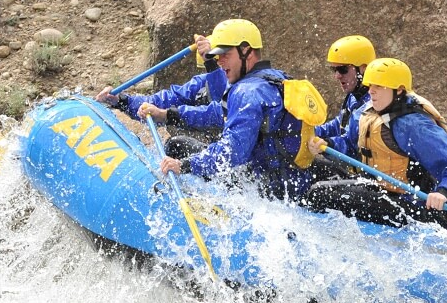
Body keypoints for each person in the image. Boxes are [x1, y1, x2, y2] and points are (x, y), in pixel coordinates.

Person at [158, 19, 315, 201]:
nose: (219, 61)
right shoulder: (276, 78)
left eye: (225, 54)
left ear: (246, 51)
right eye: (217, 55)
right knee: (181, 144)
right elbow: (219, 113)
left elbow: (232, 152)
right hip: (289, 183)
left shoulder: (246, 92)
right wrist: (169, 115)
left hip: (267, 192)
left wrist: (184, 165)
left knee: (175, 145)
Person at [304, 57, 447, 228]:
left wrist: (443, 193)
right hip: (375, 189)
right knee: (312, 171)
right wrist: (328, 145)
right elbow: (350, 144)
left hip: (411, 205)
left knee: (320, 193)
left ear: (398, 91)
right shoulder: (366, 112)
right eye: (370, 86)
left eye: (379, 86)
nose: (371, 92)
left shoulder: (415, 126)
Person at [94, 33, 226, 130]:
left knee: (176, 145)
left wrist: (167, 115)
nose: (224, 69)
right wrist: (122, 100)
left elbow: (222, 107)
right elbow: (163, 101)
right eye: (218, 66)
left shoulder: (244, 91)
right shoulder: (203, 83)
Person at [316, 35, 376, 139]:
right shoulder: (354, 96)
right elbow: (339, 125)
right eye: (334, 70)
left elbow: (350, 144)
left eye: (343, 69)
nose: (337, 76)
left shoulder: (376, 102)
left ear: (363, 68)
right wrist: (313, 132)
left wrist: (328, 144)